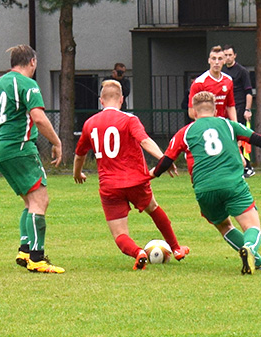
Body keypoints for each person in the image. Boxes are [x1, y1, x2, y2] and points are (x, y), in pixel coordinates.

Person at [151, 91, 261, 274]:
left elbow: (166, 162)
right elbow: (259, 140)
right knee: (252, 226)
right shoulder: (229, 124)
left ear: (193, 111)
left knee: (224, 226)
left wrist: (148, 175)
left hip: (204, 190)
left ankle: (258, 262)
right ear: (216, 109)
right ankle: (249, 247)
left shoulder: (185, 132)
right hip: (232, 185)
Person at [73, 80, 189, 270]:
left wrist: (77, 173)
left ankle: (138, 252)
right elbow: (145, 141)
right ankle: (176, 249)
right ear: (122, 100)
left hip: (110, 186)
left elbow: (80, 155)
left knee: (119, 234)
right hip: (136, 181)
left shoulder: (89, 124)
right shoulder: (129, 120)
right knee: (154, 208)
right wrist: (164, 159)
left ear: (101, 100)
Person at [0, 44, 64, 274]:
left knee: (29, 201)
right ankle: (37, 258)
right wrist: (56, 142)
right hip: (20, 148)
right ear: (32, 62)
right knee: (40, 200)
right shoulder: (27, 84)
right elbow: (39, 118)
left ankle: (25, 250)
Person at [222, 44, 256, 178]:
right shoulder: (222, 72)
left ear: (235, 55)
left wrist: (247, 109)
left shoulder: (242, 71)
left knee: (240, 138)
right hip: (226, 110)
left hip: (239, 108)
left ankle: (246, 166)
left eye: (230, 55)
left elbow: (249, 92)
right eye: (226, 55)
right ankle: (234, 166)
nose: (228, 57)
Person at [188, 45, 237, 122]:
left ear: (224, 61)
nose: (216, 62)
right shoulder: (199, 82)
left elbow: (230, 106)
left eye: (220, 59)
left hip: (222, 125)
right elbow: (191, 112)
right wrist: (209, 121)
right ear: (209, 60)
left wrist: (235, 125)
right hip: (205, 125)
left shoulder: (228, 80)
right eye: (214, 59)